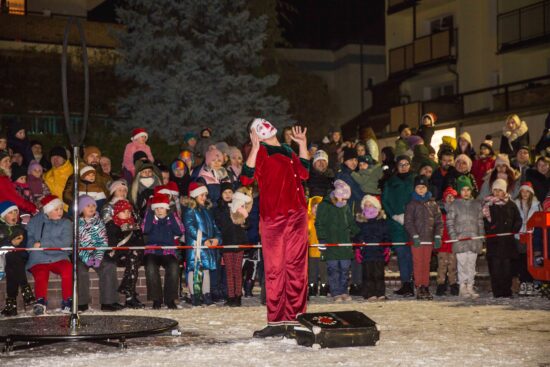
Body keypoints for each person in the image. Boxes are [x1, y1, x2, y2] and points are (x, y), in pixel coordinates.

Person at [241, 119, 310, 338]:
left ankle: (296, 319)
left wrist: (302, 144)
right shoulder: (260, 152)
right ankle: (277, 320)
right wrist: (254, 148)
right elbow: (246, 177)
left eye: (264, 122)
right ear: (256, 134)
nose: (262, 125)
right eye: (257, 127)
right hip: (273, 219)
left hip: (297, 215)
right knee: (274, 270)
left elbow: (306, 173)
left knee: (297, 268)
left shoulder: (288, 150)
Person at [26, 195, 73, 315]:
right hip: (39, 257)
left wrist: (42, 244)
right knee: (41, 273)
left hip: (59, 256)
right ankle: (40, 302)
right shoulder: (35, 221)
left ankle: (67, 300)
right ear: (47, 210)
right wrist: (32, 245)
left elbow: (65, 243)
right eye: (56, 209)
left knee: (68, 269)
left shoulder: (66, 223)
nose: (60, 212)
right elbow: (29, 237)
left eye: (61, 209)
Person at [76, 195, 123, 312]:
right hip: (82, 254)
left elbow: (103, 240)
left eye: (93, 205)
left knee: (109, 266)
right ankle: (82, 303)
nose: (91, 208)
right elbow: (79, 243)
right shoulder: (77, 224)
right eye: (88, 206)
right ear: (81, 208)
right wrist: (86, 258)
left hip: (98, 253)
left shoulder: (99, 222)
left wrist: (98, 257)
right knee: (80, 270)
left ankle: (108, 302)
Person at [315, 180, 359, 302]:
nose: (343, 200)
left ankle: (344, 291)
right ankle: (335, 292)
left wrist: (357, 234)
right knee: (333, 268)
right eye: (342, 196)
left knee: (345, 268)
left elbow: (350, 222)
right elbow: (319, 223)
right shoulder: (325, 205)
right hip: (331, 242)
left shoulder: (346, 206)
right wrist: (322, 239)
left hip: (345, 243)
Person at [404, 175, 443, 300]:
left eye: (423, 187)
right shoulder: (411, 204)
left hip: (429, 239)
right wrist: (414, 236)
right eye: (418, 187)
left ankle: (425, 285)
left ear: (427, 188)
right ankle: (419, 285)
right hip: (417, 240)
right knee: (418, 262)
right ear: (414, 189)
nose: (421, 189)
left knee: (426, 263)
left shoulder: (433, 204)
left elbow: (439, 222)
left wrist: (437, 236)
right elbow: (408, 222)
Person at [142, 193, 184, 309]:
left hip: (167, 251)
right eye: (156, 208)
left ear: (166, 208)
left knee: (173, 266)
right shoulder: (150, 216)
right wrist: (150, 215)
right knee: (150, 267)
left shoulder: (171, 217)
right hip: (152, 251)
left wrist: (171, 216)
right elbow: (145, 229)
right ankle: (157, 299)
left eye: (161, 208)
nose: (159, 211)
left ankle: (170, 299)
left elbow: (180, 231)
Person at [182, 182, 222, 307]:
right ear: (194, 195)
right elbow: (190, 227)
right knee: (194, 269)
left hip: (207, 245)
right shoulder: (190, 210)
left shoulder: (207, 210)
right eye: (202, 195)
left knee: (206, 269)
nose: (204, 197)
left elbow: (214, 226)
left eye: (205, 195)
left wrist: (217, 238)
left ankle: (206, 294)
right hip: (196, 246)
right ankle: (195, 295)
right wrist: (204, 239)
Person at [482, 178, 522, 298]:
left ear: (504, 191)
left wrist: (513, 230)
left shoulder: (511, 204)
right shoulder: (488, 205)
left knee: (507, 269)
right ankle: (497, 291)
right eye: (495, 190)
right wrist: (490, 228)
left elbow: (518, 219)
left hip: (507, 242)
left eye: (500, 190)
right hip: (494, 242)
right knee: (495, 269)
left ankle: (506, 290)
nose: (497, 193)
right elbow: (484, 221)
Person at [382, 155, 415, 297]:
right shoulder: (390, 182)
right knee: (402, 254)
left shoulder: (415, 180)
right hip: (396, 224)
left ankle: (415, 282)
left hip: (413, 222)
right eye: (401, 164)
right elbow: (385, 200)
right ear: (397, 166)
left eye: (406, 164)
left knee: (413, 253)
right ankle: (406, 283)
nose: (404, 167)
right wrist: (394, 215)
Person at [214, 184, 251, 307]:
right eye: (225, 192)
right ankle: (231, 296)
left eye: (230, 192)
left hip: (239, 242)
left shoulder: (239, 204)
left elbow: (247, 224)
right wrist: (230, 213)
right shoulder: (219, 208)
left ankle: (238, 295)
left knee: (237, 270)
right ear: (221, 194)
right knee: (229, 271)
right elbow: (220, 224)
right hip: (227, 243)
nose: (228, 195)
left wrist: (244, 216)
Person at [447, 176, 484, 298]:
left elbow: (480, 222)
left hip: (474, 239)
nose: (466, 192)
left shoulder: (476, 204)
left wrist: (481, 236)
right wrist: (454, 236)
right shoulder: (454, 205)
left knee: (471, 264)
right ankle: (462, 286)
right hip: (460, 239)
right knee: (462, 264)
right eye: (463, 190)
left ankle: (470, 286)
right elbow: (450, 222)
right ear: (459, 191)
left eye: (468, 189)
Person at [105, 199, 145, 308]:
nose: (127, 214)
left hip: (132, 256)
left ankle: (129, 294)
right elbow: (111, 245)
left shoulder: (134, 225)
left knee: (134, 257)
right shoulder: (111, 225)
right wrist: (123, 230)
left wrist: (133, 229)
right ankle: (129, 295)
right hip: (117, 256)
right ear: (117, 212)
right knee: (133, 258)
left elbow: (140, 243)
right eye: (124, 211)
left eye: (129, 211)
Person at [0, 201, 35, 316]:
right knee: (11, 262)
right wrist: (11, 242)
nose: (14, 215)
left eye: (16, 211)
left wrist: (16, 244)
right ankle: (25, 290)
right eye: (10, 212)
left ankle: (12, 305)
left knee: (12, 257)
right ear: (3, 215)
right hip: (3, 258)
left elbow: (24, 246)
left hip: (19, 257)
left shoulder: (21, 229)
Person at [355, 195, 389, 302]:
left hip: (379, 252)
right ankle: (370, 293)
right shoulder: (360, 221)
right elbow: (357, 235)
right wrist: (357, 247)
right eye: (366, 205)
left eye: (371, 205)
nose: (368, 207)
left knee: (379, 273)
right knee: (368, 273)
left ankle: (380, 292)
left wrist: (387, 247)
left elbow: (386, 235)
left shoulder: (382, 221)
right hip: (366, 252)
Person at [513, 182, 540, 296]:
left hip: (531, 235)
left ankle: (530, 282)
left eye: (527, 191)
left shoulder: (536, 204)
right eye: (522, 191)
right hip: (519, 235)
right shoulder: (515, 204)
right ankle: (523, 282)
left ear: (531, 193)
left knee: (530, 260)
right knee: (521, 259)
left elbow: (539, 220)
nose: (524, 194)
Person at [436, 186, 459, 297]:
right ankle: (441, 284)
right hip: (443, 242)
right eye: (448, 196)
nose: (450, 199)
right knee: (442, 265)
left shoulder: (457, 212)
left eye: (452, 197)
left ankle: (453, 284)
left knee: (453, 265)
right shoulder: (440, 211)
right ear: (445, 198)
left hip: (453, 244)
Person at [306, 196, 327, 297]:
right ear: (310, 208)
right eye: (314, 207)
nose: (317, 209)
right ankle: (312, 288)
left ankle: (324, 288)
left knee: (324, 271)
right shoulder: (308, 221)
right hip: (311, 252)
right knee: (312, 272)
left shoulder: (325, 221)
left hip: (323, 251)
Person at [43, 146, 73, 211]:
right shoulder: (47, 175)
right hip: (54, 210)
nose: (55, 159)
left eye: (58, 157)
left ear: (64, 159)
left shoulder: (73, 172)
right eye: (53, 157)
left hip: (70, 209)